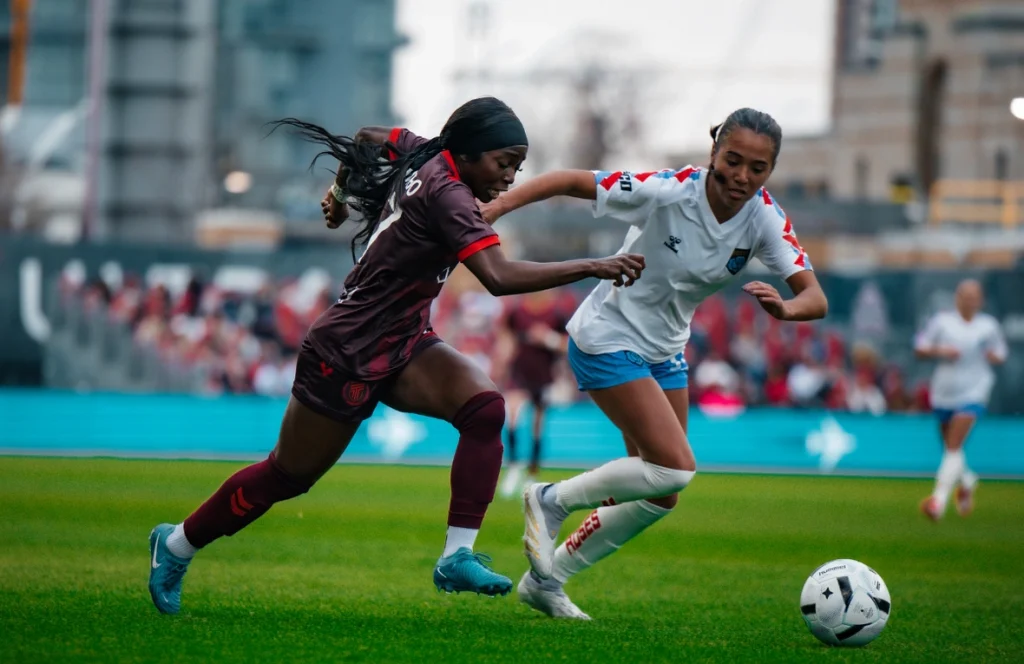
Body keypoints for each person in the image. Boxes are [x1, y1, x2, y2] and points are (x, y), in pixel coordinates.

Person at [146, 96, 647, 614]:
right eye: (504, 163)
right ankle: (176, 543)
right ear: (471, 154)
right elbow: (497, 277)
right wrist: (595, 264)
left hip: (404, 340)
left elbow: (366, 135)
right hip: (346, 350)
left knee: (485, 410)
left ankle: (456, 557)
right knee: (287, 477)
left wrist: (339, 194)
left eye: (518, 166)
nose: (510, 177)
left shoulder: (425, 151)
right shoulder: (450, 197)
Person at [481, 107, 828, 619]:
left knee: (661, 492)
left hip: (665, 351)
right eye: (732, 160)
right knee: (674, 469)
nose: (742, 177)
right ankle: (549, 500)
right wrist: (495, 209)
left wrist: (785, 307)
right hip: (606, 336)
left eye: (758, 168)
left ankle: (546, 583)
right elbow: (569, 181)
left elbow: (814, 298)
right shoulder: (671, 189)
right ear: (714, 152)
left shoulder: (765, 217)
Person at [914, 279, 1007, 521]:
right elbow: (920, 347)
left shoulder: (988, 326)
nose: (969, 301)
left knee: (953, 445)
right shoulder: (942, 322)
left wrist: (992, 356)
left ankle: (938, 502)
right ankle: (967, 480)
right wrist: (941, 351)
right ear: (957, 298)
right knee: (950, 449)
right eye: (965, 296)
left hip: (974, 390)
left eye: (974, 296)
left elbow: (1001, 353)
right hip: (944, 391)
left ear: (980, 300)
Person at [495, 290, 571, 498]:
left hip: (543, 375)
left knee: (537, 426)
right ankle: (512, 467)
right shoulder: (517, 312)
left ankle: (532, 473)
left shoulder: (556, 314)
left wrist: (548, 338)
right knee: (511, 416)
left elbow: (568, 345)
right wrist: (503, 357)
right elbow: (506, 335)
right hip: (519, 373)